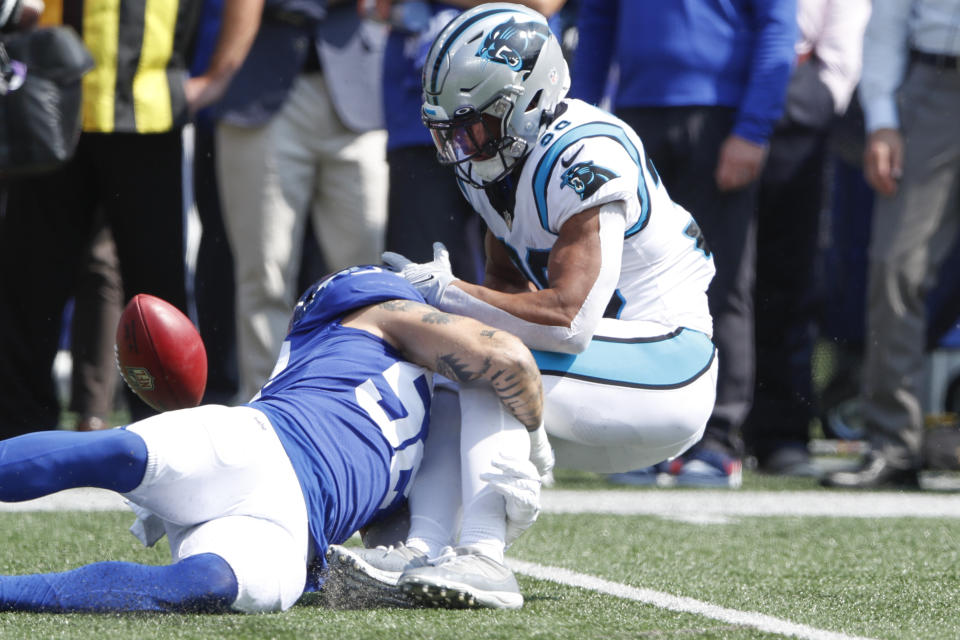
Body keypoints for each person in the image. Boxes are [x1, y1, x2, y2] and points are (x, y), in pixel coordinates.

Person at [328, 3, 717, 609]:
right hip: (600, 381)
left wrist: (445, 295)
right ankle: (423, 543)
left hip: (668, 366)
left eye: (474, 126)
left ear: (527, 100)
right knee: (452, 363)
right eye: (449, 129)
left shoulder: (585, 153)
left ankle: (484, 553)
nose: (460, 144)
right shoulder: (495, 163)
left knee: (484, 357)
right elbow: (507, 292)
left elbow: (567, 319)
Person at [0, 265, 544, 613]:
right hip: (264, 446)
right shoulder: (371, 308)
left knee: (204, 586)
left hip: (293, 531)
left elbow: (390, 538)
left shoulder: (429, 407)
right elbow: (507, 359)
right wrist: (536, 441)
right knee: (112, 453)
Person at [0, 0, 262, 435]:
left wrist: (217, 79)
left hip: (149, 117)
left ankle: (165, 433)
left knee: (156, 290)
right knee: (29, 284)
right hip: (50, 109)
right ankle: (17, 436)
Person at [570, 0, 796, 487]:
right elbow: (597, 20)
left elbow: (778, 24)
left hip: (720, 118)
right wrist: (578, 117)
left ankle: (717, 439)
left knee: (724, 278)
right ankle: (637, 438)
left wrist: (753, 128)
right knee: (624, 281)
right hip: (633, 119)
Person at [214, 0, 391, 403]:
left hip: (357, 91)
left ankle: (357, 406)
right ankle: (264, 413)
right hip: (258, 87)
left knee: (366, 278)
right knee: (264, 275)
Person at [822, 0, 960, 489]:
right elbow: (887, 22)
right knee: (895, 265)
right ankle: (891, 446)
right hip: (935, 87)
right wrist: (882, 118)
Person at [743, 0, 871, 476]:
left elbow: (845, 28)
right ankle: (701, 430)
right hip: (721, 95)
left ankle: (780, 431)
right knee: (704, 270)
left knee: (787, 279)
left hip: (796, 106)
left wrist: (817, 92)